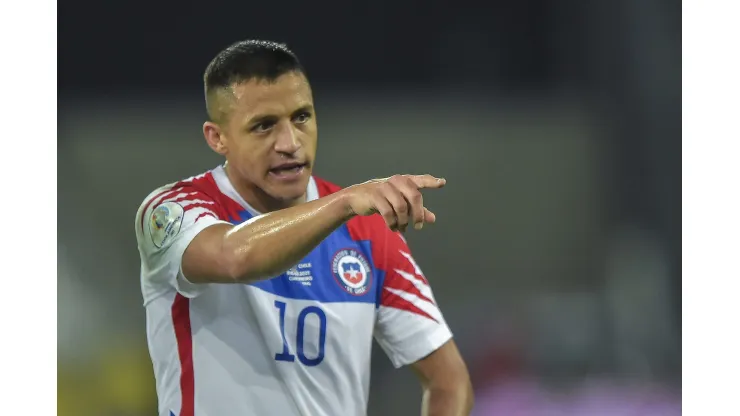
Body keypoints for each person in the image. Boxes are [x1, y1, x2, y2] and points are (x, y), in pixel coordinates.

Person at [135, 39, 473, 416]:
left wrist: (344, 208)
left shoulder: (368, 233)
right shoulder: (175, 211)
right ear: (218, 138)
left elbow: (449, 382)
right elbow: (236, 258)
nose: (290, 143)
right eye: (264, 126)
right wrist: (343, 203)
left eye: (301, 117)